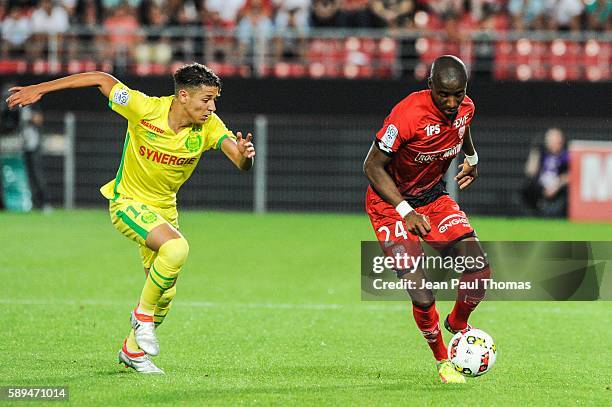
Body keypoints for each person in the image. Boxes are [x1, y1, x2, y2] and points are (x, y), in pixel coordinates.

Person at [6, 63, 256, 374]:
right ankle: (142, 317)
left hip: (163, 213)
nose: (211, 107)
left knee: (167, 292)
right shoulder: (144, 108)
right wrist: (40, 88)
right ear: (182, 96)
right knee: (177, 249)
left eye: (214, 100)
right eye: (206, 99)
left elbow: (238, 160)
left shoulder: (209, 126)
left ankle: (132, 350)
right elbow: (100, 78)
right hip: (127, 203)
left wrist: (245, 157)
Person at [363, 55, 491, 384]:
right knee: (422, 293)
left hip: (431, 196)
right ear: (430, 86)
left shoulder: (466, 107)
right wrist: (406, 211)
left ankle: (458, 324)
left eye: (458, 94)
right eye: (444, 94)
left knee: (478, 268)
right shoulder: (408, 114)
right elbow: (372, 167)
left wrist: (472, 157)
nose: (451, 103)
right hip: (390, 204)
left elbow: (463, 128)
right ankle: (442, 360)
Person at [521, 127, 568, 217]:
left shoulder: (566, 156)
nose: (553, 142)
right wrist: (534, 153)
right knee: (527, 187)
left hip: (558, 188)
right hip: (541, 188)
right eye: (551, 139)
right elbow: (530, 171)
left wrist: (556, 186)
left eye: (556, 139)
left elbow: (570, 174)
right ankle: (533, 211)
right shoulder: (542, 153)